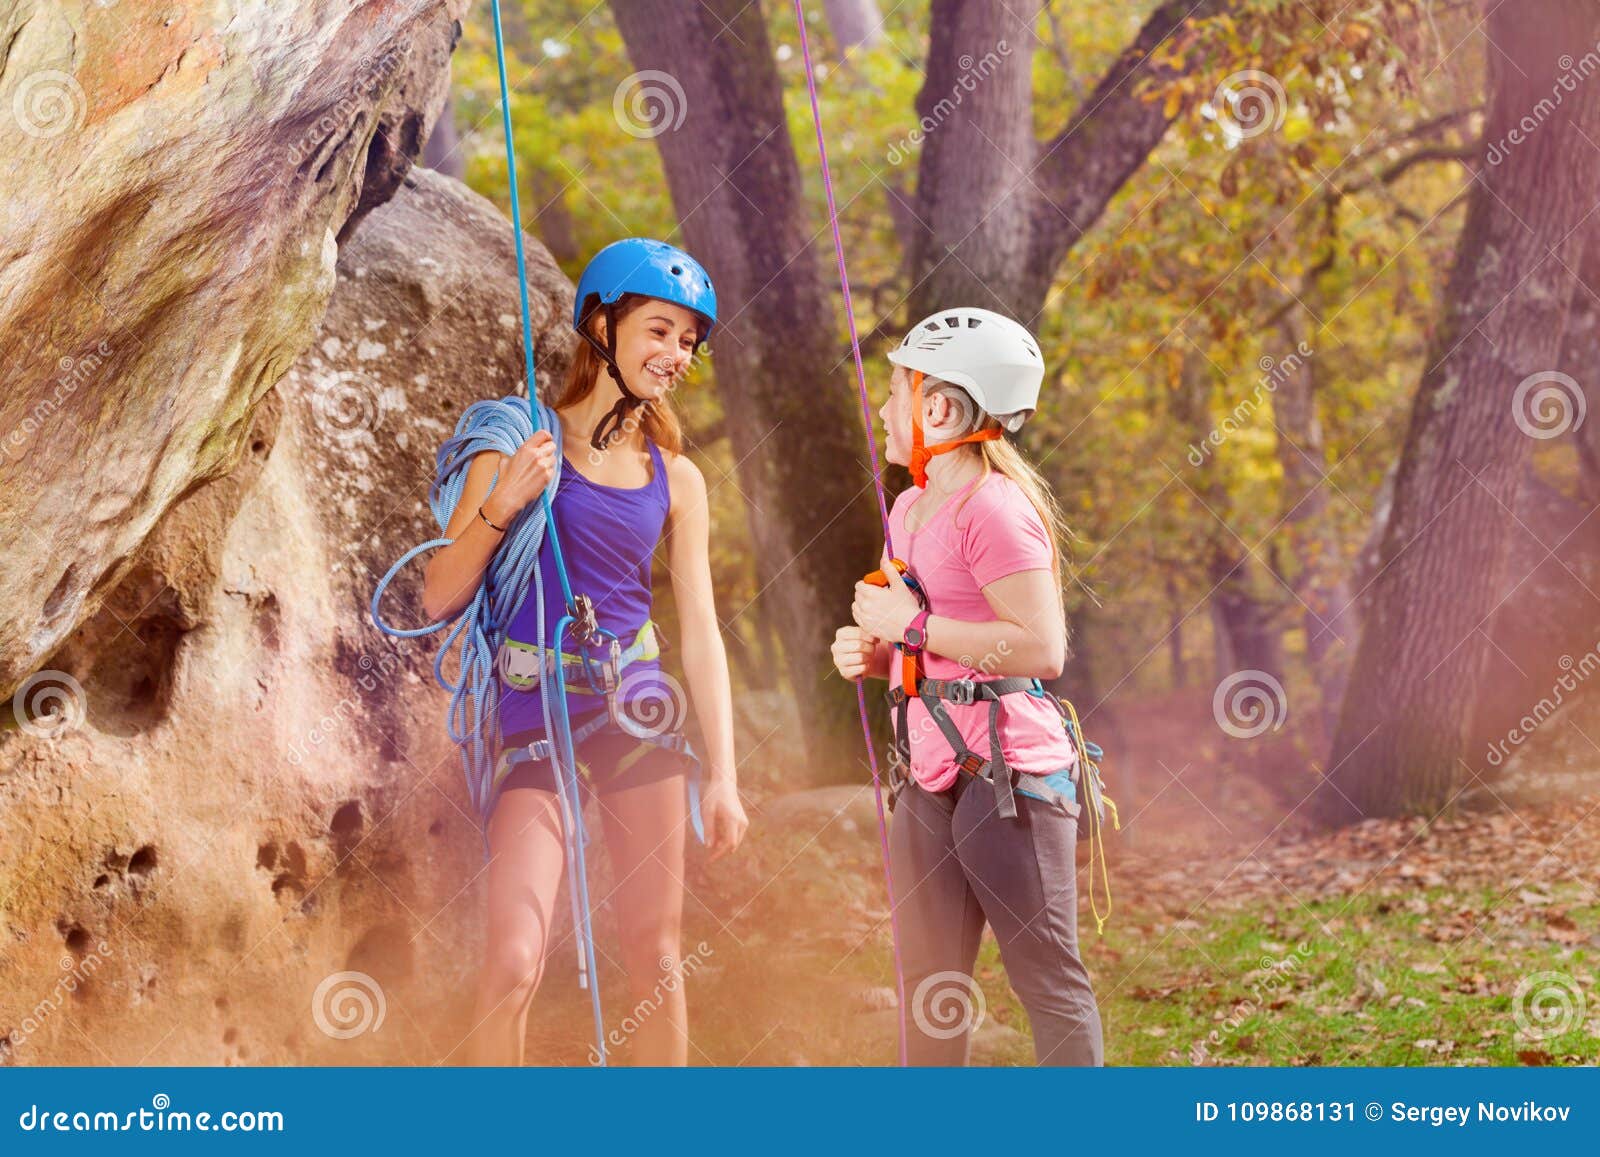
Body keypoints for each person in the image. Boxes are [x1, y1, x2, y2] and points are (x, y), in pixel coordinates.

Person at [422, 238, 749, 1066]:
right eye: (660, 330)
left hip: (637, 703)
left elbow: (701, 630)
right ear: (601, 325)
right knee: (513, 961)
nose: (677, 354)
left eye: (689, 342)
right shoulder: (518, 441)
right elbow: (437, 594)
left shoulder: (677, 478)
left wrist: (727, 777)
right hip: (534, 711)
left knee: (656, 952)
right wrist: (503, 502)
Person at [830, 306, 1104, 1066]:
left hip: (1010, 776)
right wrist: (884, 656)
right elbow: (938, 646)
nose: (884, 407)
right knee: (928, 986)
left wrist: (910, 628)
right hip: (929, 776)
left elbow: (1041, 647)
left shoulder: (996, 507)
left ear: (940, 408)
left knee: (1046, 980)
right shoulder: (910, 508)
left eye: (896, 392)